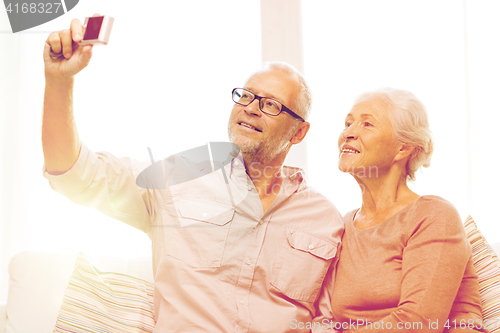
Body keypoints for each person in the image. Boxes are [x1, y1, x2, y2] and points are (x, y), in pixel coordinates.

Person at [41, 18, 344, 332]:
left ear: (299, 133)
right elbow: (74, 173)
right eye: (246, 96)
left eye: (270, 104)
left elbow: (331, 319)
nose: (251, 108)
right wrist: (58, 81)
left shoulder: (326, 220)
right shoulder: (178, 177)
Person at [317, 88, 485, 332]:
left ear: (402, 149)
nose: (348, 133)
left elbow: (417, 322)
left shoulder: (433, 215)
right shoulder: (343, 225)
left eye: (367, 124)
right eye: (348, 123)